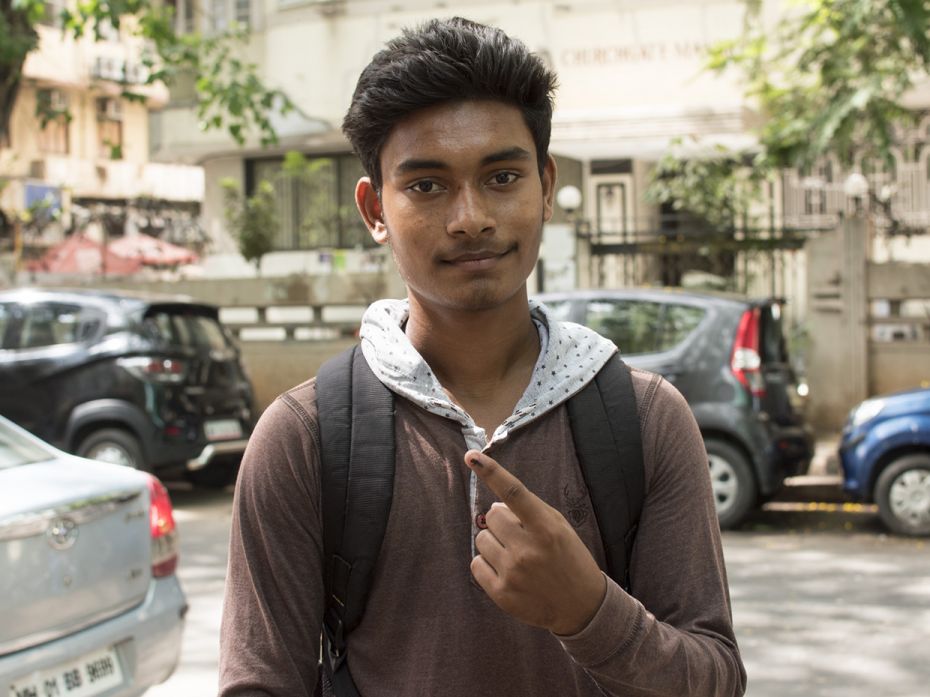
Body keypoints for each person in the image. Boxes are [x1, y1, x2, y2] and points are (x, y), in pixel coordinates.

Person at [218, 17, 747, 697]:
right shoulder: (306, 436)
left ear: (546, 184)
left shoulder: (645, 419)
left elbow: (717, 680)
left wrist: (592, 613)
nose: (470, 216)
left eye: (501, 175)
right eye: (428, 185)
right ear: (375, 207)